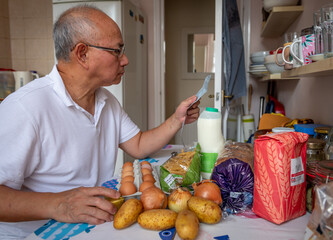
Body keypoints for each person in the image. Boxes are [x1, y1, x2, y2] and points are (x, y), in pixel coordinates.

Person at [0, 5, 200, 239]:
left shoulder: (106, 101)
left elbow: (138, 145)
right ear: (82, 53)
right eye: (117, 51)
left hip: (91, 228)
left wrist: (177, 119)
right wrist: (58, 204)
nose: (125, 60)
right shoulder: (24, 107)